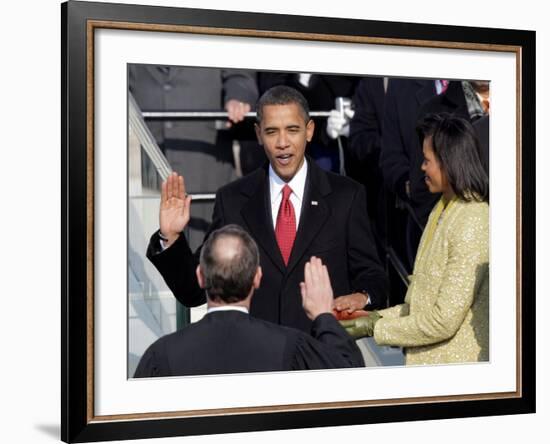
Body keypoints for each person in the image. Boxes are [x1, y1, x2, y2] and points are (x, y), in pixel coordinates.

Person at [146, 85, 389, 333]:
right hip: (257, 359)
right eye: (272, 132)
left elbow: (373, 275)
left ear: (309, 131)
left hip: (323, 355)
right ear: (259, 134)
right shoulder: (232, 200)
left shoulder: (346, 196)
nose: (282, 143)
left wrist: (363, 297)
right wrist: (171, 237)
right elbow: (193, 292)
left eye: (292, 130)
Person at [341, 113, 489, 365]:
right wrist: (369, 318)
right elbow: (419, 308)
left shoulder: (472, 219)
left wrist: (371, 328)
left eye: (427, 160)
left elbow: (443, 321)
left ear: (448, 163)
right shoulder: (443, 208)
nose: (422, 168)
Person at [135, 225, 364, 377]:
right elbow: (350, 378)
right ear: (257, 277)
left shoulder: (161, 355)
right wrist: (324, 316)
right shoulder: (291, 347)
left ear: (200, 276)